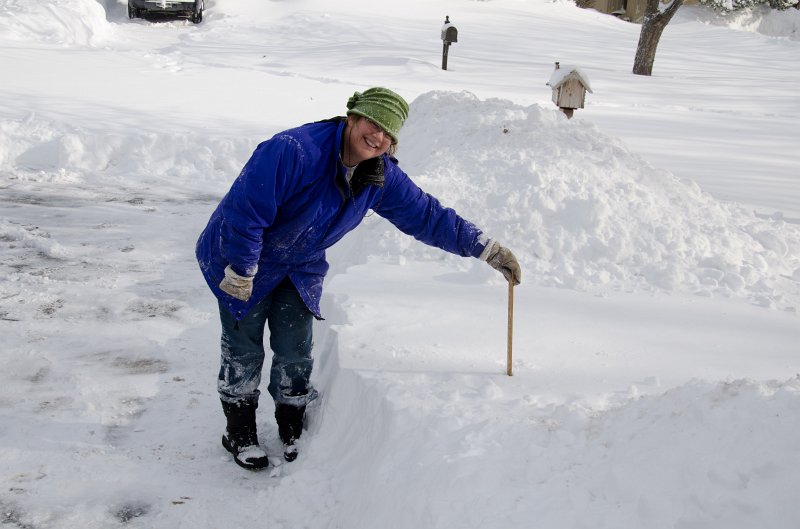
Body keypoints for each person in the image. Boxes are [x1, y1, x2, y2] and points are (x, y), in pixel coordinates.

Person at [195, 87, 521, 470]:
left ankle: (291, 425)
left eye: (388, 133)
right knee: (244, 348)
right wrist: (242, 269)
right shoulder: (294, 150)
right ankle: (239, 432)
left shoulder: (380, 176)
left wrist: (486, 248)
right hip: (240, 257)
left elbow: (427, 216)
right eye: (373, 123)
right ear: (352, 117)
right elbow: (246, 211)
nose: (378, 136)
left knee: (295, 349)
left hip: (299, 266)